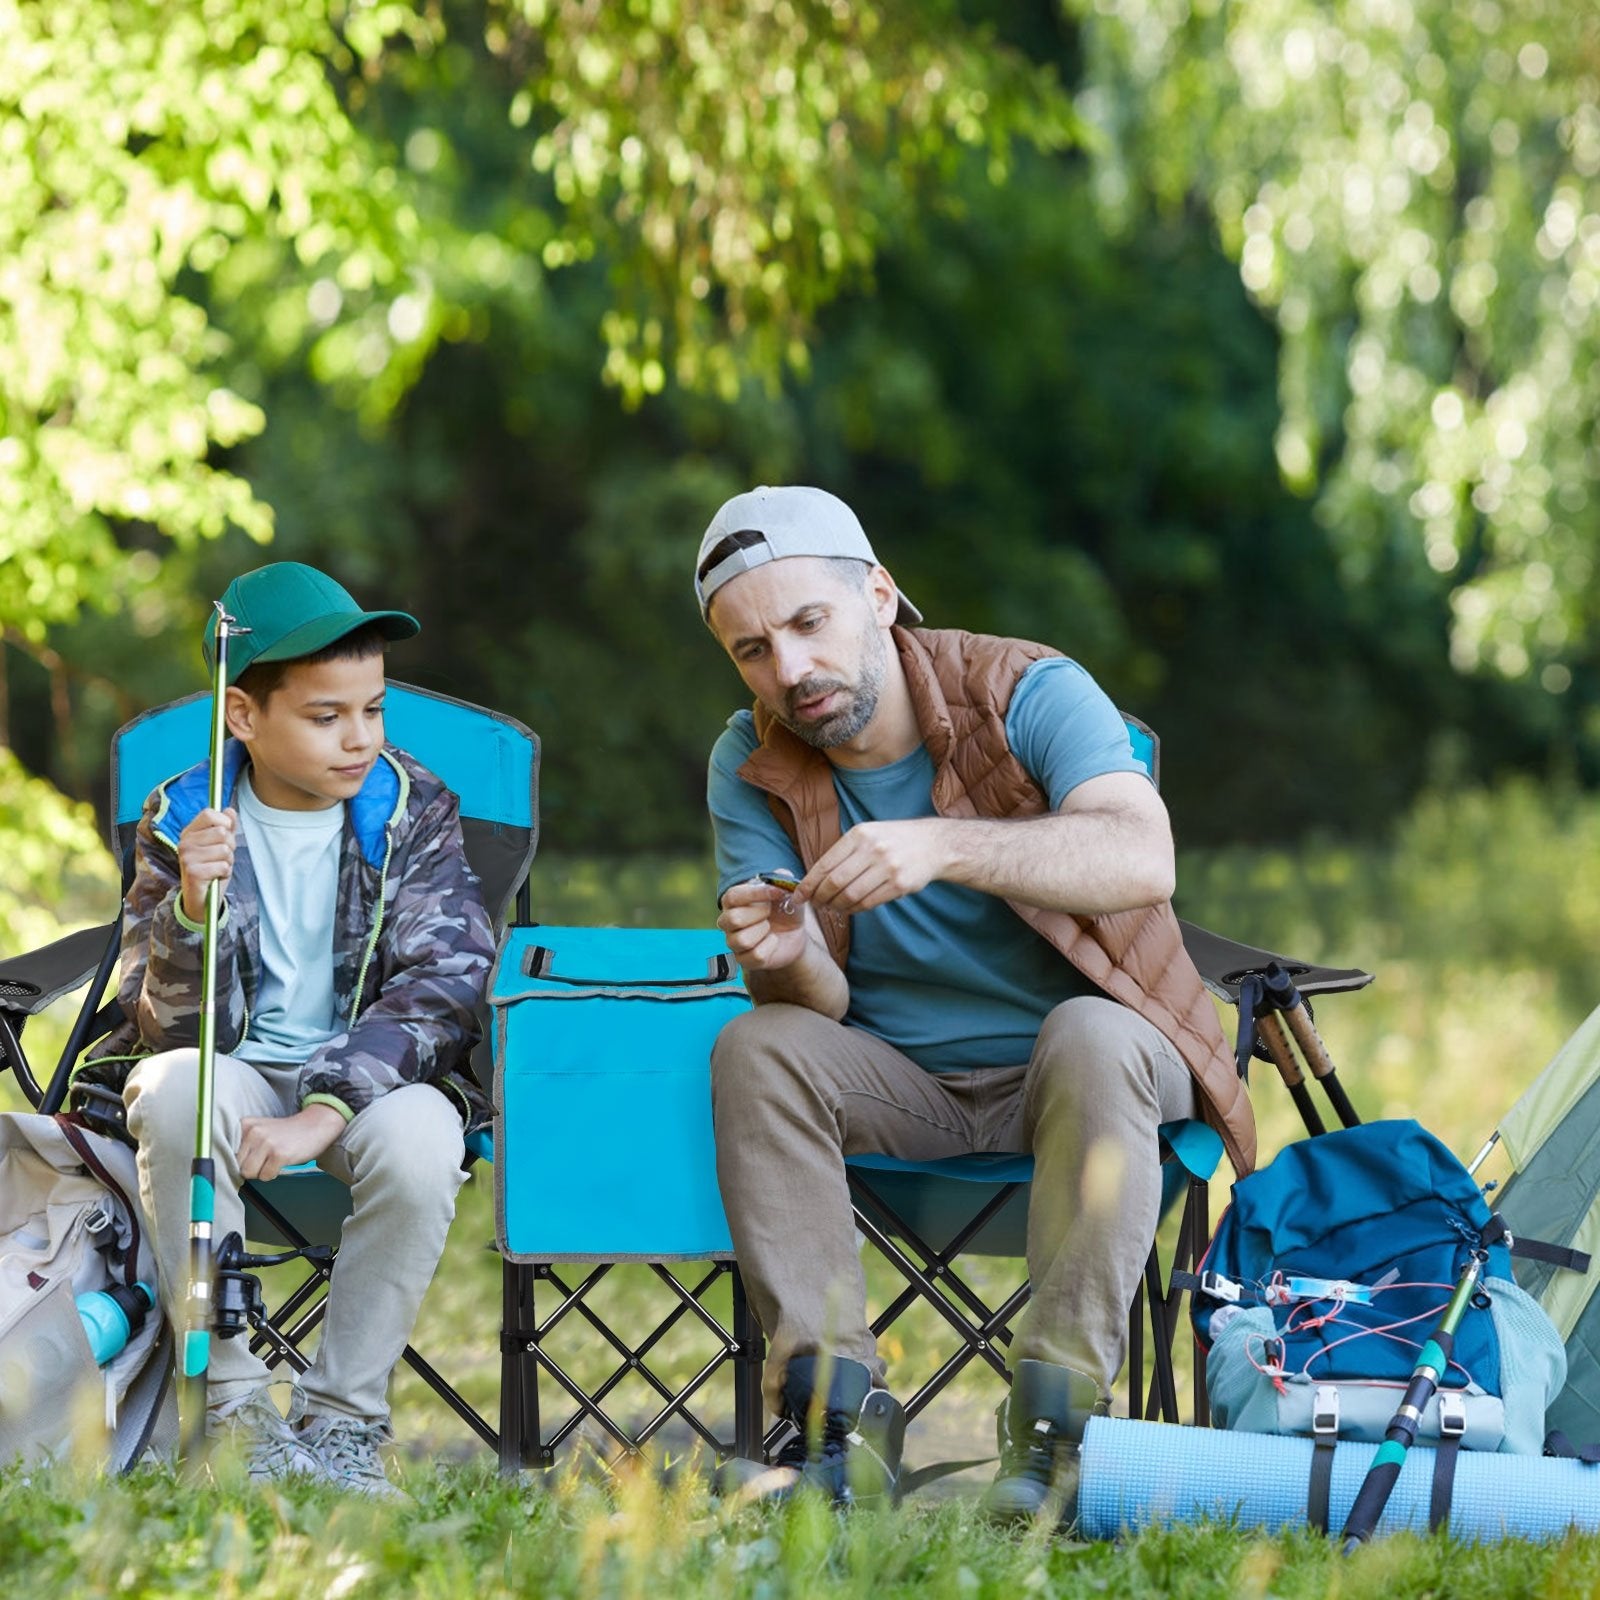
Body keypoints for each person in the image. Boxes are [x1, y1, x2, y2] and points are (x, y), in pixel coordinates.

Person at [697, 487, 1254, 1522]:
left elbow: (1142, 853)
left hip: (1091, 1078)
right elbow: (813, 1003)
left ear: (878, 592)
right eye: (752, 649)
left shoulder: (1026, 688)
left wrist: (943, 846)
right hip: (905, 1087)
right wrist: (785, 955)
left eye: (808, 623)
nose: (789, 671)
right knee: (757, 1043)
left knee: (1087, 1030)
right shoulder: (751, 757)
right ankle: (834, 1433)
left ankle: (1056, 1436)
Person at [76, 561, 494, 1495]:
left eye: (373, 711)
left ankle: (343, 1421)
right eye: (325, 716)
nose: (359, 740)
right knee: (176, 1087)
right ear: (244, 717)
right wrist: (190, 907)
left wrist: (327, 1106)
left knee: (429, 1138)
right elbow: (167, 1030)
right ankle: (231, 1411)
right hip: (232, 1075)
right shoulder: (184, 817)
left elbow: (447, 984)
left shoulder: (410, 812)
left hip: (371, 1083)